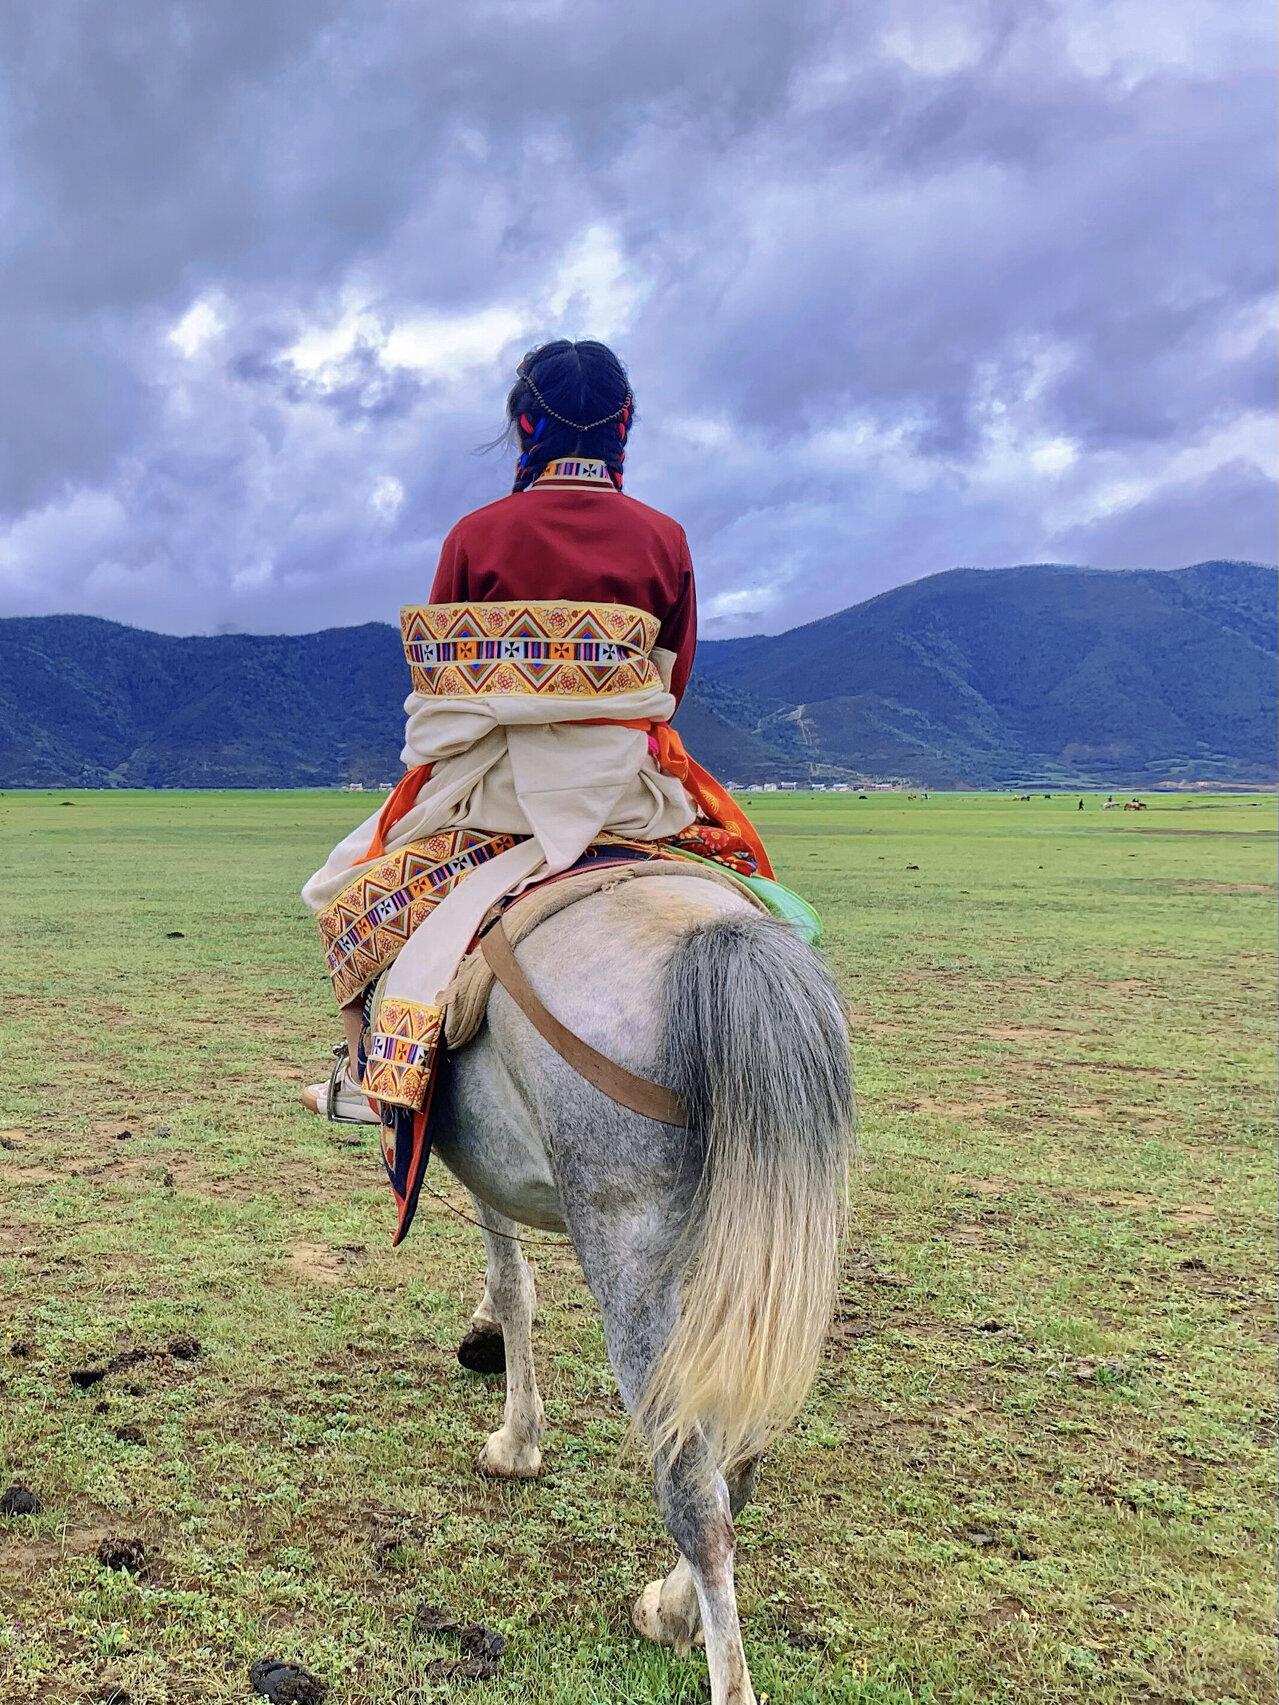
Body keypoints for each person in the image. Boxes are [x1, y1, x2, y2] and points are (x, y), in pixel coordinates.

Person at [300, 340, 767, 1135]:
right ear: (623, 426)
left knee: (342, 893)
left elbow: (437, 686)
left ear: (524, 425)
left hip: (494, 794)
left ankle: (365, 1077)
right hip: (625, 792)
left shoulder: (476, 536)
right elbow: (671, 678)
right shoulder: (664, 538)